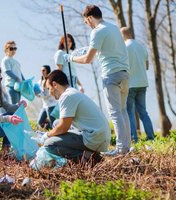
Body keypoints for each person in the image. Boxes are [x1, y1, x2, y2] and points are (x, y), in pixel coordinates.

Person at [63, 5, 130, 156]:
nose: (88, 25)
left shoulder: (97, 31)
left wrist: (71, 58)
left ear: (90, 18)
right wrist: (88, 48)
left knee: (115, 113)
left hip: (111, 75)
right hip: (124, 73)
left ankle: (120, 149)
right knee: (123, 111)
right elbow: (104, 49)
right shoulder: (113, 28)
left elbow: (88, 59)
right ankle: (127, 147)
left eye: (86, 22)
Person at [35, 70, 111, 163]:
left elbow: (63, 128)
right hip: (99, 135)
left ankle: (89, 160)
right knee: (56, 123)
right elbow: (61, 124)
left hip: (94, 138)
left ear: (55, 85)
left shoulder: (67, 96)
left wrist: (47, 135)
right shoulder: (72, 92)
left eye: (49, 88)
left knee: (49, 145)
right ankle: (88, 153)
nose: (50, 93)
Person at [121, 27, 155, 143]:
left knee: (129, 112)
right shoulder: (142, 46)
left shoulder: (124, 47)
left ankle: (134, 139)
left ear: (123, 35)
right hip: (142, 83)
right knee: (143, 112)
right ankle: (151, 138)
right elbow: (147, 67)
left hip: (130, 84)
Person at [35, 65, 57, 129]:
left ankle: (56, 134)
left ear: (48, 71)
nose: (42, 72)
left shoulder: (51, 80)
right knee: (39, 122)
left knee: (53, 123)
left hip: (51, 105)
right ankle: (48, 127)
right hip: (45, 106)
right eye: (41, 70)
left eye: (44, 70)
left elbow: (49, 93)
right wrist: (36, 94)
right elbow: (38, 92)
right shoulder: (39, 82)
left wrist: (40, 95)